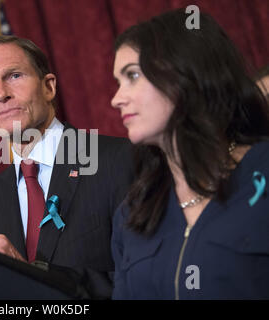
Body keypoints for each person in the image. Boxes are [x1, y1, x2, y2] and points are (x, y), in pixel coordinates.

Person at [110, 9, 269, 299]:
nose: (117, 98)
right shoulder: (132, 213)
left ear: (185, 73)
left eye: (132, 75)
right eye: (118, 82)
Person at [0, 35, 134, 298]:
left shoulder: (118, 160)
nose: (1, 94)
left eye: (14, 76)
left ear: (48, 87)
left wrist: (40, 278)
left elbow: (144, 278)